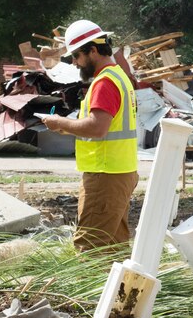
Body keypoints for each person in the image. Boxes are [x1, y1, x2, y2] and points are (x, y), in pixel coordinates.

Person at [43, 20, 138, 251]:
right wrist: (66, 127)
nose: (74, 63)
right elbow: (104, 126)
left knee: (89, 248)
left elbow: (97, 128)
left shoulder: (104, 83)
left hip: (104, 176)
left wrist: (59, 122)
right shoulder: (120, 77)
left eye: (76, 55)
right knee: (112, 248)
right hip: (120, 172)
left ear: (93, 50)